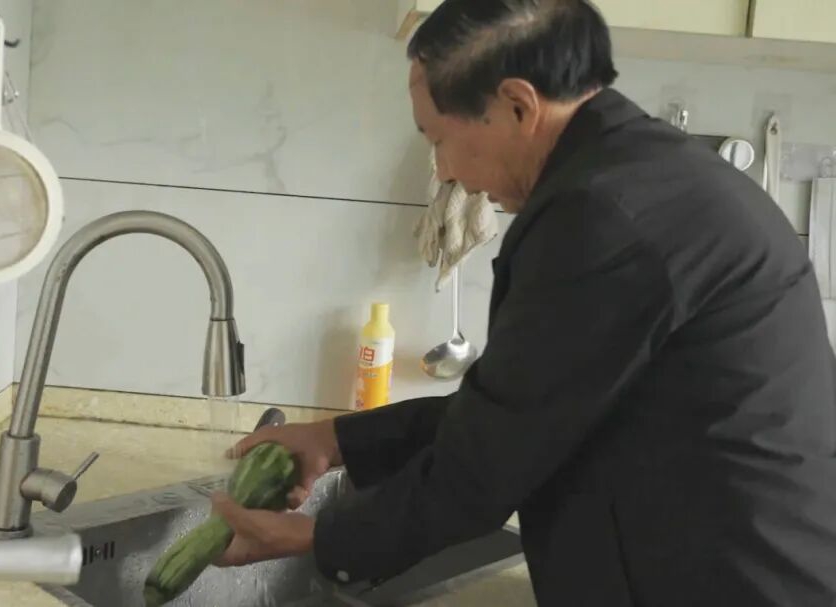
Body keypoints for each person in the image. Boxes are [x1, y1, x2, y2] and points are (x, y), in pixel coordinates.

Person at [211, 0, 836, 605]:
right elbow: (522, 407)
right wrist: (338, 439)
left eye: (438, 139)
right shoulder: (640, 179)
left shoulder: (605, 218)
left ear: (517, 105)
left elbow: (486, 465)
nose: (443, 171)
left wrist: (323, 539)